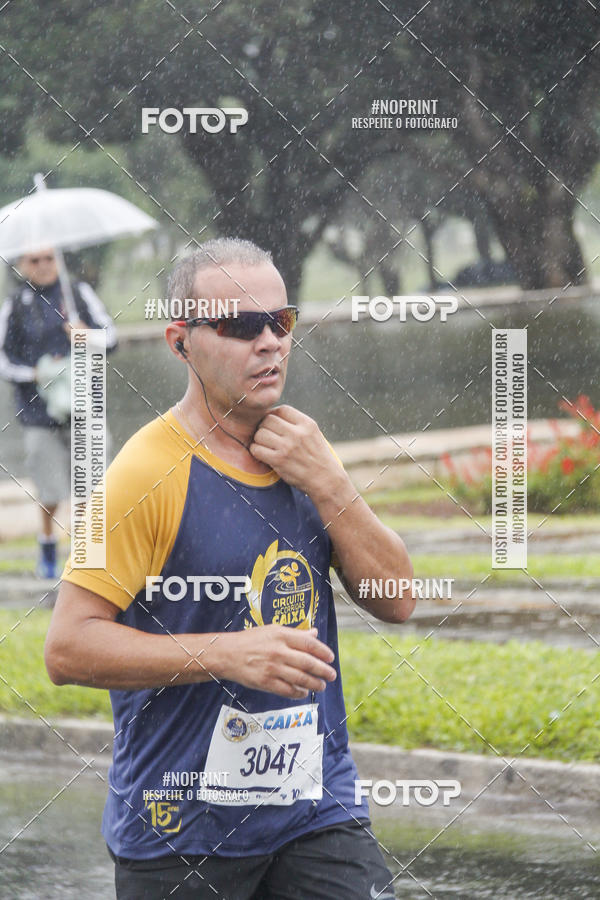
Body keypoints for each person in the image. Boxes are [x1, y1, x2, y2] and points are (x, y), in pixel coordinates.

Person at [45, 237, 415, 900]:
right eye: (242, 326)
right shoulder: (139, 474)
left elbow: (398, 600)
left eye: (281, 321)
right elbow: (67, 648)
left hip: (315, 809)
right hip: (179, 829)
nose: (269, 341)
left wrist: (330, 483)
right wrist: (226, 653)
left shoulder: (304, 451)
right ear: (180, 340)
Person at [0, 250, 117, 578]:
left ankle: (85, 551)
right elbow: (4, 359)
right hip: (39, 414)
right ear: (23, 265)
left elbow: (111, 338)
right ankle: (48, 545)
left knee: (91, 487)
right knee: (49, 489)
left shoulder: (78, 293)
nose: (42, 265)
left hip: (86, 409)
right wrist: (34, 374)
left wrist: (86, 336)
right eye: (34, 260)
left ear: (59, 260)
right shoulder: (17, 304)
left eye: (49, 258)